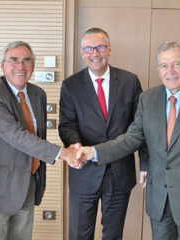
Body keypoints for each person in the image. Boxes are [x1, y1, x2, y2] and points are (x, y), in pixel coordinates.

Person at [77, 40, 180, 240]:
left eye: (176, 64)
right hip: (159, 200)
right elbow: (132, 138)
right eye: (164, 65)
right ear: (158, 69)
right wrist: (94, 152)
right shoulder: (148, 99)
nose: (171, 71)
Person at [0, 41, 82, 240]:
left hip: (27, 183)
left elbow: (38, 137)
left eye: (26, 61)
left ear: (33, 67)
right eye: (14, 60)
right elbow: (16, 135)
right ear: (2, 64)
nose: (21, 66)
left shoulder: (38, 94)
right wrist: (63, 153)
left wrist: (41, 180)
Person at [59, 27, 148, 240]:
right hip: (84, 170)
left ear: (109, 50)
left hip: (120, 171)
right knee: (80, 235)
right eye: (89, 48)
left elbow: (142, 126)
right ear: (82, 52)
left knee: (114, 235)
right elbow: (67, 124)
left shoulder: (129, 81)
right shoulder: (70, 85)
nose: (95, 53)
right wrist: (76, 145)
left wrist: (145, 163)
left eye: (100, 47)